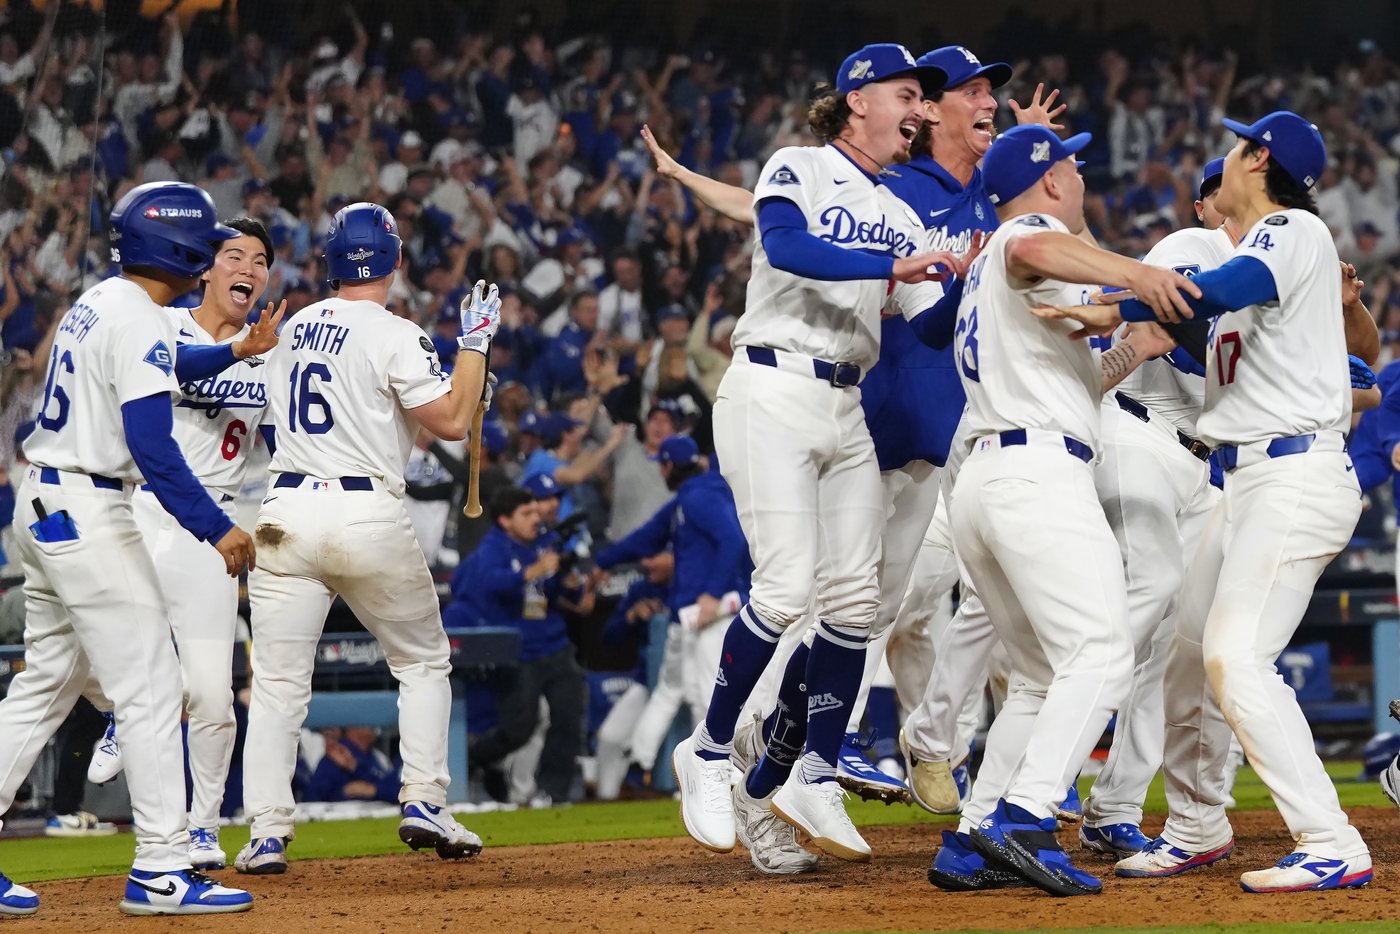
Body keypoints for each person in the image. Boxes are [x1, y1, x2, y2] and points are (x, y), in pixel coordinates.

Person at [1051, 112, 1376, 893]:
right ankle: (1197, 823)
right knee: (1189, 656)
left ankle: (1330, 839)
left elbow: (1214, 292)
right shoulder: (1260, 259)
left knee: (1235, 656)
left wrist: (1113, 295)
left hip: (1295, 477)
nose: (1224, 159)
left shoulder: (1292, 229)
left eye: (1236, 148)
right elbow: (1197, 319)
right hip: (1251, 480)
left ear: (1260, 159)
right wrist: (1110, 306)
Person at [671, 42, 962, 864]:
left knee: (855, 601)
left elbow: (930, 323)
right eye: (909, 93)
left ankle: (814, 769)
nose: (922, 110)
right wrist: (894, 262)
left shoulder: (903, 213)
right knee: (786, 584)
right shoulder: (796, 165)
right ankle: (706, 749)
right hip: (770, 385)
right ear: (858, 97)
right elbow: (788, 245)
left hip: (845, 401)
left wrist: (965, 282)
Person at [946, 124, 1197, 898]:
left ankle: (971, 838)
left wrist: (1134, 343)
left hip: (992, 479)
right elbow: (1031, 250)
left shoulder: (1004, 275)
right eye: (1073, 163)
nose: (1080, 173)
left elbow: (1080, 378)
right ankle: (1025, 817)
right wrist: (1137, 274)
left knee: (1035, 677)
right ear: (1049, 180)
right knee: (1102, 649)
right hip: (1036, 477)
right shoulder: (1027, 232)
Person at [0, 181, 256, 916]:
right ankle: (162, 868)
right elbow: (153, 443)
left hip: (45, 499)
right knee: (150, 686)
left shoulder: (104, 300)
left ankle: (163, 864)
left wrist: (239, 348)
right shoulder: (142, 317)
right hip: (86, 507)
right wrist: (218, 528)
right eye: (204, 245)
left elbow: (175, 367)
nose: (210, 258)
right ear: (177, 249)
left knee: (42, 688)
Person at [235, 202, 497, 875]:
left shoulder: (292, 327)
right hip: (363, 513)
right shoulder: (397, 332)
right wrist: (473, 348)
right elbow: (451, 420)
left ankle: (265, 832)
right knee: (421, 660)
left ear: (329, 262)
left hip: (284, 510)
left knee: (277, 684)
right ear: (395, 260)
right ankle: (424, 798)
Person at [86, 218, 285, 871]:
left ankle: (202, 829)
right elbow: (180, 369)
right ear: (207, 268)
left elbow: (286, 442)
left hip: (216, 531)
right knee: (89, 657)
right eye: (234, 255)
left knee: (212, 695)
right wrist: (238, 351)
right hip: (145, 512)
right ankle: (125, 709)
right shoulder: (162, 324)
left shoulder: (270, 350)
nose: (247, 269)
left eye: (259, 260)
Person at [457, 486, 589, 807]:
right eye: (526, 514)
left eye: (535, 511)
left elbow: (554, 591)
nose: (535, 518)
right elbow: (489, 584)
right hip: (518, 652)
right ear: (504, 520)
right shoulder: (491, 548)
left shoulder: (545, 542)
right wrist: (533, 570)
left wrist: (570, 585)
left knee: (569, 716)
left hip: (554, 644)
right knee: (520, 728)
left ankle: (552, 792)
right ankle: (471, 760)